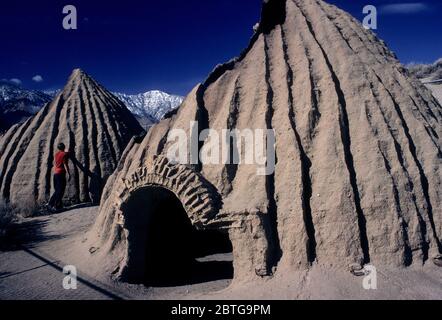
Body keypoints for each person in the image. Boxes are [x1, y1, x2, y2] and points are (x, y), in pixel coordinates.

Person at [48, 143, 71, 212]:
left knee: (58, 190)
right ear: (63, 147)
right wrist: (69, 173)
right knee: (60, 190)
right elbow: (65, 164)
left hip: (55, 174)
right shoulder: (64, 154)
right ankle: (52, 205)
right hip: (61, 174)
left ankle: (59, 205)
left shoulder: (56, 154)